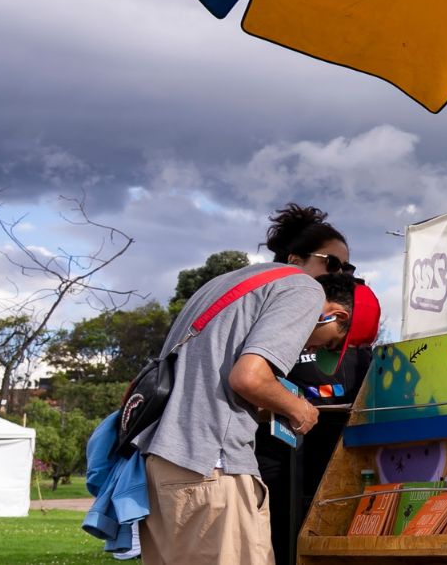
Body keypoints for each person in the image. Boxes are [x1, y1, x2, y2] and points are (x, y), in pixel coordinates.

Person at [133, 218, 359, 563]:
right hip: (211, 466)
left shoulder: (228, 283)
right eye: (333, 264)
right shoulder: (303, 288)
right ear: (297, 259)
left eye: (346, 268)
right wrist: (298, 408)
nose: (340, 275)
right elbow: (249, 378)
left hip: (163, 464)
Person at [258, 277, 381, 565]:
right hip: (277, 468)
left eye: (337, 347)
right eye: (332, 343)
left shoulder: (364, 356)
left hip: (334, 471)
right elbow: (250, 382)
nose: (327, 349)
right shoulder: (274, 329)